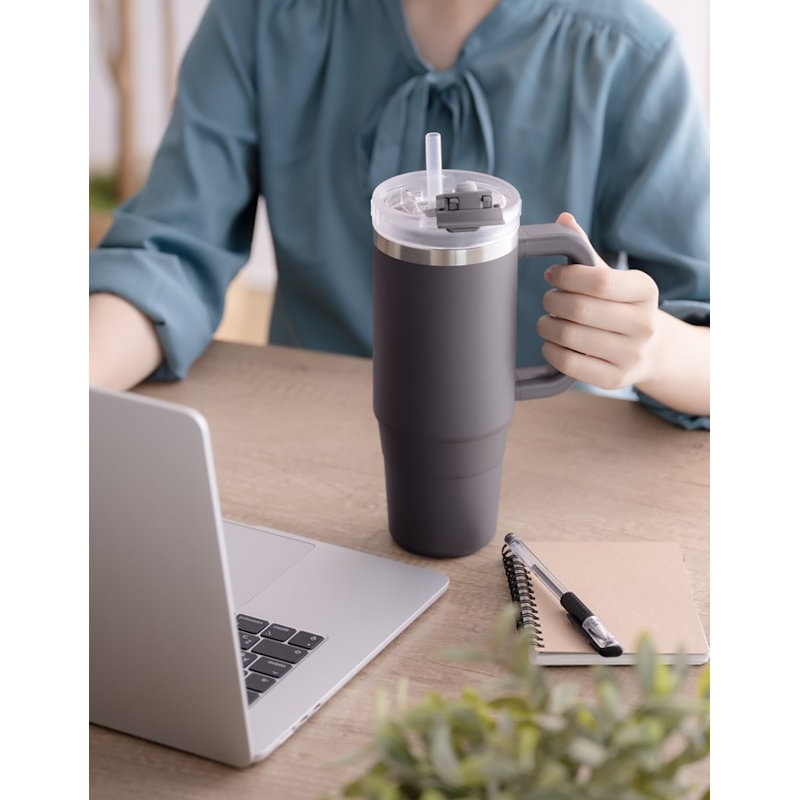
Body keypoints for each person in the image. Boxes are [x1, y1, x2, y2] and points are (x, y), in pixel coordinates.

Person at [89, 0, 710, 430]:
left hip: (555, 469)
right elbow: (166, 256)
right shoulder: (260, 17)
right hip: (307, 439)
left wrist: (655, 348)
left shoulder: (630, 53)